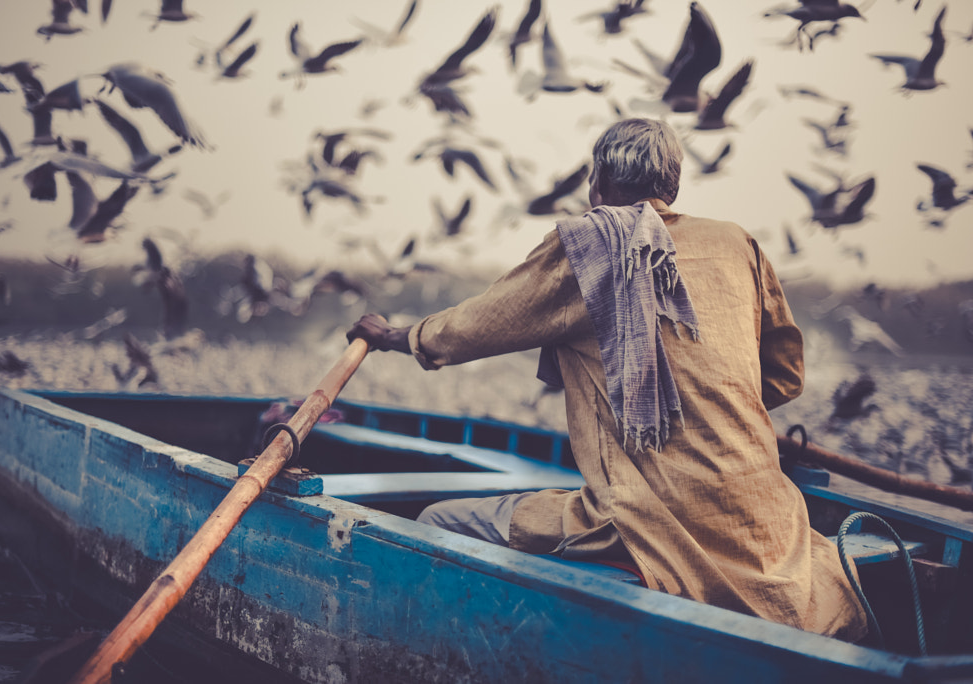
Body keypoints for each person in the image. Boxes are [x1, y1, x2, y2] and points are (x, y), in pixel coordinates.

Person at [346, 118, 867, 641]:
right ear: (674, 186)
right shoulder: (738, 244)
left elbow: (474, 327)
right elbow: (783, 377)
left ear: (598, 184)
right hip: (767, 520)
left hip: (643, 517)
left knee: (438, 521)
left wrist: (395, 335)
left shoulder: (589, 247)